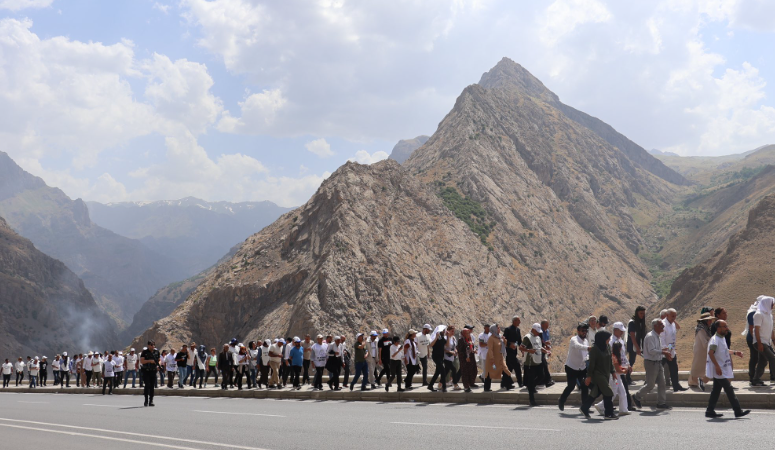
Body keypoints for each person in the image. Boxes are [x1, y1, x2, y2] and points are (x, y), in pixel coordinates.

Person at [705, 320, 750, 418]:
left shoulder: (721, 338)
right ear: (718, 328)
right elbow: (710, 353)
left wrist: (734, 352)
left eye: (726, 326)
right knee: (729, 389)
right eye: (724, 326)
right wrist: (717, 366)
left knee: (716, 390)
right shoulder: (715, 339)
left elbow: (724, 351)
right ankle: (738, 411)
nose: (727, 328)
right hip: (719, 369)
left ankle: (709, 410)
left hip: (721, 369)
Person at [633, 319, 671, 410]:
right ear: (655, 326)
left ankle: (661, 403)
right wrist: (663, 352)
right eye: (661, 325)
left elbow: (656, 349)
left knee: (662, 383)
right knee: (650, 385)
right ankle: (636, 396)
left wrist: (664, 350)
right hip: (651, 363)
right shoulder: (650, 336)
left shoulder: (657, 336)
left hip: (658, 362)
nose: (663, 326)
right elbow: (651, 351)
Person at [580, 331, 616, 420]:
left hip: (606, 373)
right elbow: (592, 364)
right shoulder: (594, 349)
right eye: (607, 338)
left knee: (596, 391)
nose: (609, 340)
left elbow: (610, 361)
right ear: (602, 339)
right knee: (608, 392)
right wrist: (589, 376)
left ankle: (584, 408)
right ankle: (609, 413)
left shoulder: (607, 346)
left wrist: (613, 372)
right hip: (598, 374)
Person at [559, 323, 590, 411]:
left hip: (582, 368)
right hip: (571, 367)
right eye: (582, 331)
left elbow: (585, 354)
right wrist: (588, 348)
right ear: (578, 331)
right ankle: (562, 400)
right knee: (571, 386)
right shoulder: (574, 339)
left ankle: (584, 407)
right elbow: (578, 346)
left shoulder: (586, 341)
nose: (584, 332)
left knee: (584, 386)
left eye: (586, 331)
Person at [610, 322, 634, 412]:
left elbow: (623, 355)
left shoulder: (620, 341)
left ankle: (625, 408)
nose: (622, 333)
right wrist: (621, 369)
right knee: (616, 390)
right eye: (620, 331)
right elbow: (613, 358)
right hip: (615, 371)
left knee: (620, 390)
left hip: (620, 369)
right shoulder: (611, 342)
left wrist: (628, 365)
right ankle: (603, 406)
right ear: (615, 330)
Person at [751, 296, 775, 387]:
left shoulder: (769, 314)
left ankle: (756, 379)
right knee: (773, 358)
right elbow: (756, 330)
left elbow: (771, 329)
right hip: (760, 342)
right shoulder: (758, 314)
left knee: (763, 362)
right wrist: (759, 343)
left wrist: (773, 340)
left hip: (766, 342)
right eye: (772, 304)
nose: (773, 306)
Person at [484, 324, 514, 394]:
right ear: (494, 329)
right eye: (497, 328)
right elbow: (490, 349)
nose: (499, 329)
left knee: (505, 369)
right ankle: (486, 387)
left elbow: (505, 345)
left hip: (500, 358)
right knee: (490, 372)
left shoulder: (500, 337)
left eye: (499, 328)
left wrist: (504, 340)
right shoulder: (491, 338)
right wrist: (491, 358)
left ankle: (508, 384)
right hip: (493, 359)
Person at [690, 313, 716, 391]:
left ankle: (697, 381)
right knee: (697, 366)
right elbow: (704, 343)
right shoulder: (701, 329)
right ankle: (694, 382)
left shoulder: (706, 328)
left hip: (705, 350)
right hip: (700, 351)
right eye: (709, 320)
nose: (711, 321)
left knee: (702, 367)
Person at [522, 323, 547, 406]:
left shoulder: (538, 337)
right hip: (530, 363)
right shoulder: (527, 337)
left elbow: (539, 347)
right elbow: (521, 348)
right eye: (537, 331)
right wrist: (529, 350)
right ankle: (532, 400)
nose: (538, 333)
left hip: (538, 360)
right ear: (533, 329)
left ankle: (531, 387)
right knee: (531, 380)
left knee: (542, 376)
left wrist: (545, 350)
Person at [661, 309, 686, 391]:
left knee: (674, 369)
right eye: (672, 316)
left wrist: (671, 350)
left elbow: (672, 339)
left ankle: (676, 386)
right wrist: (667, 352)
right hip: (663, 352)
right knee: (658, 370)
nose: (674, 318)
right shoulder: (663, 324)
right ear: (667, 315)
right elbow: (662, 340)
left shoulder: (672, 324)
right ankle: (649, 385)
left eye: (675, 316)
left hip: (671, 350)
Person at [627, 306, 646, 385]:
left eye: (643, 313)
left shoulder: (641, 322)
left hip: (639, 343)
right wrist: (637, 348)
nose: (642, 315)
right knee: (631, 361)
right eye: (641, 313)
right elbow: (632, 336)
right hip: (633, 345)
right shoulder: (632, 322)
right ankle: (627, 378)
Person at [427, 325, 449, 392]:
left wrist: (448, 336)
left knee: (437, 372)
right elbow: (431, 345)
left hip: (441, 356)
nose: (444, 331)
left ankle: (430, 385)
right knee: (443, 370)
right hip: (436, 356)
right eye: (443, 330)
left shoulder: (443, 338)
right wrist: (436, 337)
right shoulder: (435, 337)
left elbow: (447, 344)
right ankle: (444, 387)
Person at [503, 316, 524, 387]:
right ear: (514, 321)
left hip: (514, 351)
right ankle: (520, 382)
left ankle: (504, 383)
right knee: (517, 366)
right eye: (518, 321)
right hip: (508, 352)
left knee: (509, 368)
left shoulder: (518, 330)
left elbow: (519, 341)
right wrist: (509, 345)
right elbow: (504, 340)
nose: (520, 322)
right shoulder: (508, 329)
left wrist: (522, 349)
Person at [458, 325, 477, 392]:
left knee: (473, 371)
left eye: (469, 333)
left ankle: (471, 383)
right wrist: (466, 357)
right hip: (464, 360)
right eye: (467, 333)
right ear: (463, 334)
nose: (469, 334)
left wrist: (473, 350)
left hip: (471, 358)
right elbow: (460, 351)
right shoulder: (461, 340)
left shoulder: (469, 339)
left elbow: (471, 347)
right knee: (465, 373)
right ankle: (466, 386)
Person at [140, 340, 159, 406]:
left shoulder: (156, 352)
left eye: (153, 344)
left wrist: (158, 365)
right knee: (147, 385)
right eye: (151, 345)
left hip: (153, 371)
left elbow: (159, 360)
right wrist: (150, 361)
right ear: (148, 345)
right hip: (146, 371)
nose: (153, 346)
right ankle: (146, 400)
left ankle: (151, 401)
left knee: (152, 386)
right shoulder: (144, 352)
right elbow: (142, 361)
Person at [540, 320, 554, 387]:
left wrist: (548, 348)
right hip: (539, 351)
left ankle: (544, 380)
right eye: (546, 325)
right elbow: (540, 342)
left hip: (544, 350)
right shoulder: (539, 332)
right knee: (544, 365)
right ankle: (547, 380)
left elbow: (547, 340)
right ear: (542, 325)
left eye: (547, 325)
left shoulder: (547, 331)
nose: (547, 327)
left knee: (543, 365)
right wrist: (545, 344)